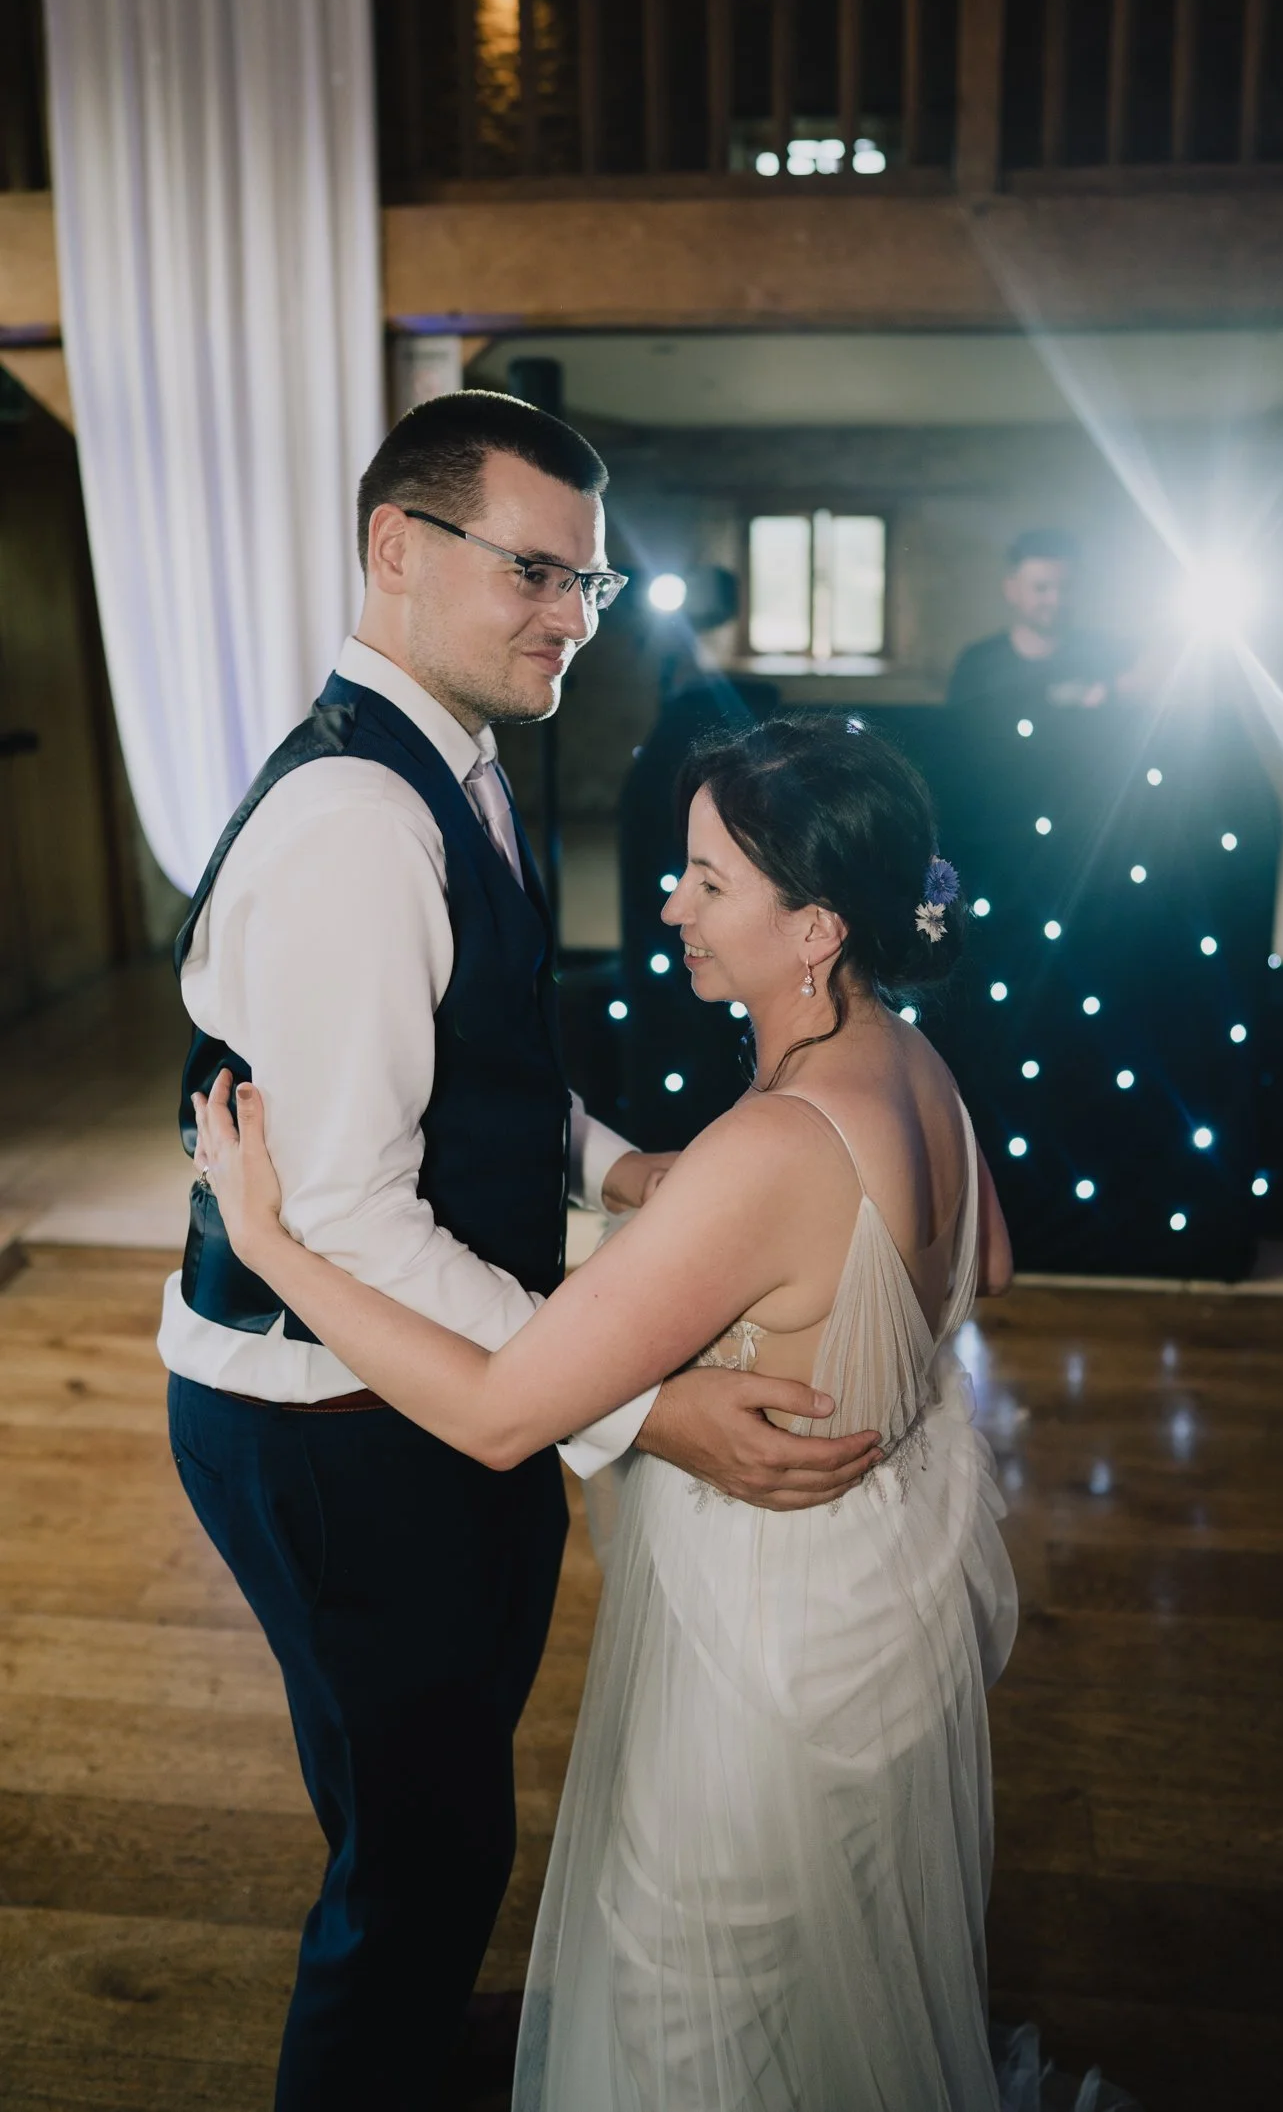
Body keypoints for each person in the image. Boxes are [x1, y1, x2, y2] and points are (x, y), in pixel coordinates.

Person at [157, 395, 879, 2112]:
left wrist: (621, 1170)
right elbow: (349, 1220)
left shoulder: (453, 767)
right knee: (414, 1865)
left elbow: (479, 1062)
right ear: (396, 549)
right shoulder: (359, 818)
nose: (572, 614)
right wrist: (636, 1405)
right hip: (327, 1421)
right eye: (533, 571)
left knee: (439, 1809)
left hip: (416, 1403)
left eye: (588, 581)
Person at [192, 710, 1023, 2111]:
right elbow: (983, 1259)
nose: (672, 904)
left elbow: (497, 1412)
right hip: (890, 1584)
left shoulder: (770, 1145)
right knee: (821, 1974)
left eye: (709, 880)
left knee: (686, 1992)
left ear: (813, 928)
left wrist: (275, 1247)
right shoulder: (913, 1061)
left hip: (768, 1639)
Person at [947, 527, 1141, 721]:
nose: (1055, 600)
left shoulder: (1101, 653)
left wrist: (1115, 689)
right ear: (1011, 589)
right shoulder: (978, 666)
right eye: (1041, 588)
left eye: (1066, 587)